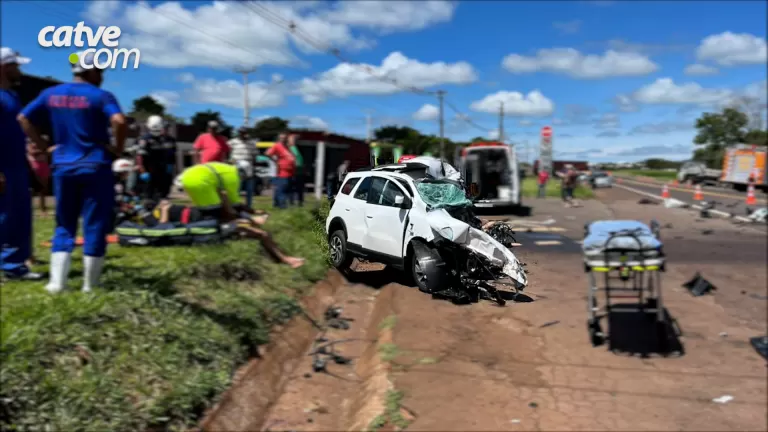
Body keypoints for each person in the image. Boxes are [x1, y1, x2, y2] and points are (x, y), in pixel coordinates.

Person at [18, 50, 127, 293]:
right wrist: (117, 150)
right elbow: (119, 121)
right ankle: (91, 285)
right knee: (95, 224)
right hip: (95, 164)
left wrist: (45, 147)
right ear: (91, 71)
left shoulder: (50, 93)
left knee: (64, 223)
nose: (102, 76)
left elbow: (23, 118)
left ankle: (57, 283)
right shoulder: (101, 95)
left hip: (62, 165)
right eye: (100, 71)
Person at [178, 162, 304, 268]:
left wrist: (250, 214)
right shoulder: (233, 178)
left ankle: (283, 258)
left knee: (227, 212)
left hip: (189, 178)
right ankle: (285, 259)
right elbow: (235, 206)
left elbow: (230, 205)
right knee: (261, 233)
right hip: (203, 191)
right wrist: (250, 217)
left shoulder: (225, 171)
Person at [0, 47, 43, 280]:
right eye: (16, 66)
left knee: (18, 217)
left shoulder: (12, 96)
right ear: (5, 68)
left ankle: (14, 267)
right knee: (4, 217)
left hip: (17, 166)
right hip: (3, 168)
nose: (20, 70)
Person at [135, 115, 177, 201]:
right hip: (149, 171)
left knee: (163, 196)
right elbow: (139, 157)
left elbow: (172, 154)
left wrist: (170, 166)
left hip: (164, 171)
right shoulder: (144, 140)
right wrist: (143, 171)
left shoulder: (168, 140)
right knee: (148, 196)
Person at [265, 132, 295, 209]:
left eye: (285, 138)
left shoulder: (287, 147)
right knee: (282, 190)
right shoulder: (277, 146)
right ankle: (282, 206)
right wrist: (276, 161)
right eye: (282, 138)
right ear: (279, 138)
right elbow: (267, 153)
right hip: (282, 172)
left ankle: (276, 204)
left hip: (290, 172)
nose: (283, 139)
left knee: (282, 189)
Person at [229, 127, 257, 208]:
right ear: (238, 133)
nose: (242, 134)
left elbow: (255, 156)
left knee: (249, 189)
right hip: (236, 166)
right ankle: (235, 206)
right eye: (241, 132)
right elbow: (226, 151)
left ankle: (249, 206)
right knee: (237, 188)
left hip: (249, 167)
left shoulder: (252, 143)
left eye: (244, 132)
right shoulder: (232, 142)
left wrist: (254, 168)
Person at [286, 134, 305, 207]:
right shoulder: (289, 148)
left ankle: (300, 202)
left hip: (299, 172)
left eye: (295, 139)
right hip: (293, 171)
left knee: (299, 188)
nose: (294, 141)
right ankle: (291, 202)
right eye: (292, 139)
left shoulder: (295, 147)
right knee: (292, 188)